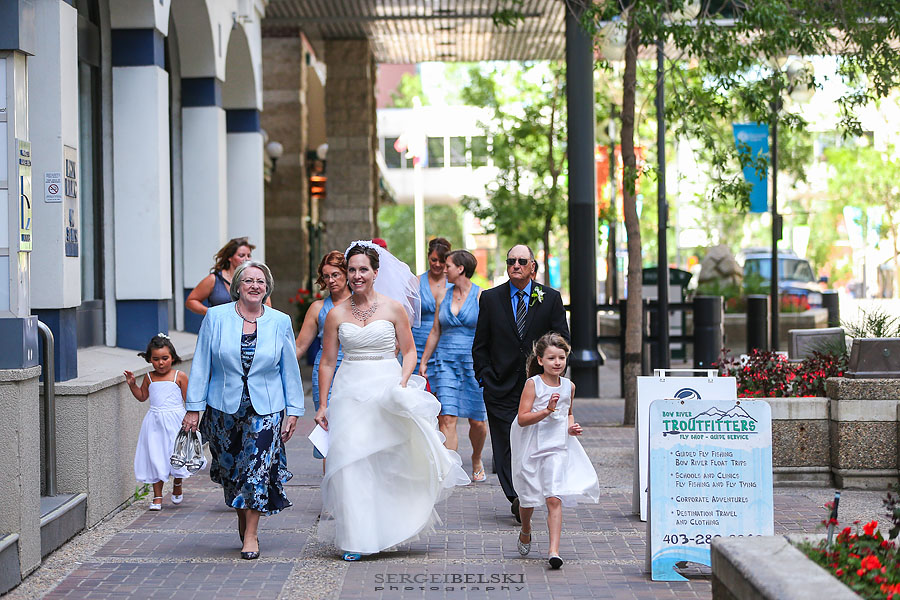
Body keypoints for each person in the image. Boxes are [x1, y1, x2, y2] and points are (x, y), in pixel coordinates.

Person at [316, 242, 469, 561]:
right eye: (352, 270)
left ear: (374, 273)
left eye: (363, 270)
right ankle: (355, 537)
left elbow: (410, 351)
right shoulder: (335, 314)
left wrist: (402, 380)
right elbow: (328, 361)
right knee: (351, 462)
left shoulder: (393, 308)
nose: (357, 276)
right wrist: (322, 404)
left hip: (386, 387)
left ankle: (386, 527)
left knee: (386, 459)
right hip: (349, 390)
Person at [182, 260, 304, 561]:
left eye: (260, 281)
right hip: (223, 408)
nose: (254, 286)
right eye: (248, 280)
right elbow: (201, 365)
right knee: (233, 471)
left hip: (266, 408)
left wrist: (294, 410)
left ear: (267, 288)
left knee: (256, 469)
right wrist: (193, 410)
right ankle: (243, 517)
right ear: (237, 286)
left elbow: (289, 368)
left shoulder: (279, 321)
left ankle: (251, 534)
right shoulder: (215, 317)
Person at [472, 244, 570, 523]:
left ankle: (529, 490)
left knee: (532, 441)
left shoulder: (549, 298)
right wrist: (485, 375)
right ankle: (516, 496)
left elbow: (562, 339)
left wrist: (553, 378)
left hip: (536, 386)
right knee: (504, 442)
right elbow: (481, 343)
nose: (515, 265)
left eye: (521, 261)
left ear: (532, 267)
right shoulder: (491, 299)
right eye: (511, 260)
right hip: (499, 384)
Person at [511, 332, 600, 569]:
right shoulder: (533, 384)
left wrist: (572, 427)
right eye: (551, 358)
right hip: (531, 444)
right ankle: (526, 528)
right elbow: (522, 418)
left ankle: (554, 550)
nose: (557, 362)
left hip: (557, 447)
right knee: (528, 499)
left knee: (553, 496)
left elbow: (568, 412)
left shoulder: (569, 386)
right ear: (540, 360)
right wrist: (546, 411)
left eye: (561, 357)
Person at [419, 250, 488, 482]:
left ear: (461, 269)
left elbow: (490, 333)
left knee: (477, 421)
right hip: (445, 361)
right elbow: (435, 331)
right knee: (447, 417)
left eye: (448, 265)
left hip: (473, 363)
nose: (444, 269)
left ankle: (476, 458)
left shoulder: (481, 296)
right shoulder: (443, 296)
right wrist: (424, 361)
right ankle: (451, 469)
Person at [125, 334, 192, 510]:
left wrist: (191, 419)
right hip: (154, 422)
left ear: (172, 357)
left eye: (164, 358)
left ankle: (177, 483)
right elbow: (142, 397)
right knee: (156, 456)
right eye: (156, 359)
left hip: (176, 421)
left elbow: (188, 400)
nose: (161, 363)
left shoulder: (179, 376)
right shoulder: (149, 377)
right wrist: (133, 385)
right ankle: (157, 496)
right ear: (149, 359)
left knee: (176, 455)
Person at [295, 251, 350, 459]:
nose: (330, 280)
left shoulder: (359, 304)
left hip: (353, 367)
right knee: (328, 431)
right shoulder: (317, 307)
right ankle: (331, 485)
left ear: (346, 274)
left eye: (335, 274)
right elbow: (300, 346)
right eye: (326, 276)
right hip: (325, 370)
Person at [185, 237, 270, 316]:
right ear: (230, 257)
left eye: (249, 255)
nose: (246, 259)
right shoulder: (214, 279)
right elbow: (191, 301)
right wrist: (211, 313)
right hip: (220, 328)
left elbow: (267, 305)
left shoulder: (256, 278)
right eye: (241, 255)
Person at [412, 238, 452, 373]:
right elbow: (408, 316)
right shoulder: (416, 282)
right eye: (434, 260)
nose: (438, 264)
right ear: (428, 257)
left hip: (444, 343)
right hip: (418, 343)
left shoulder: (453, 284)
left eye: (442, 261)